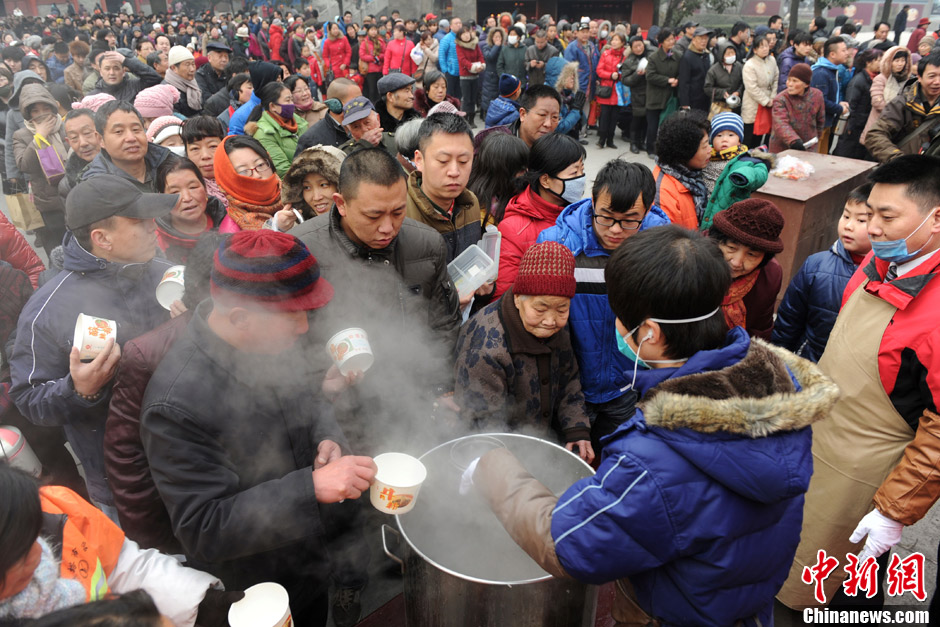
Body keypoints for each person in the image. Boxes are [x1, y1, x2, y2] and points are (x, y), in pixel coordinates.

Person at [466, 224, 837, 627]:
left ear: (650, 334)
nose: (618, 329)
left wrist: (491, 466)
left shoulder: (654, 460)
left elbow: (568, 546)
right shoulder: (773, 385)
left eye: (620, 321)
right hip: (744, 606)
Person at [140, 229, 373, 626]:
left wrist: (327, 434)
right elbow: (203, 528)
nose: (304, 328)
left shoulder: (273, 341)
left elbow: (309, 398)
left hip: (308, 562)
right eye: (293, 315)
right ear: (240, 318)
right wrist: (310, 487)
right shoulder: (175, 403)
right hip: (253, 594)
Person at [776, 155, 940, 615]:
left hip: (866, 478)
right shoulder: (877, 262)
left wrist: (893, 510)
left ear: (935, 217)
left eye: (887, 218)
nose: (874, 228)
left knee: (848, 591)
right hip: (817, 441)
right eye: (869, 214)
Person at [8, 176, 178, 516]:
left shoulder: (171, 275)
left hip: (193, 452)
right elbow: (28, 399)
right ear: (102, 238)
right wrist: (79, 390)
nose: (152, 228)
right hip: (120, 481)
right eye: (139, 222)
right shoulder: (47, 310)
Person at [292, 148, 462, 456]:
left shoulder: (425, 244)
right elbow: (287, 341)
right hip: (336, 413)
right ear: (341, 204)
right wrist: (322, 388)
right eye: (373, 215)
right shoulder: (301, 251)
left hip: (411, 400)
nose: (388, 228)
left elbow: (444, 323)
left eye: (398, 212)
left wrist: (442, 387)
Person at [536, 159, 669, 452]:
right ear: (593, 201)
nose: (615, 230)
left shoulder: (661, 253)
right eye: (606, 217)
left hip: (627, 387)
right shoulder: (559, 246)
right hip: (569, 387)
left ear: (647, 210)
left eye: (630, 220)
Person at [0, 463, 233, 626]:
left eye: (36, 536)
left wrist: (199, 602)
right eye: (18, 552)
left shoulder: (53, 505)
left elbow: (126, 568)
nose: (40, 552)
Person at [454, 241, 593, 462]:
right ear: (518, 298)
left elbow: (569, 379)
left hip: (540, 443)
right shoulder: (485, 348)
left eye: (562, 309)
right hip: (498, 454)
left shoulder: (556, 325)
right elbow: (483, 426)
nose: (550, 320)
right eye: (540, 309)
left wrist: (576, 428)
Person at [771, 184, 871, 361]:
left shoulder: (891, 274)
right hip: (808, 363)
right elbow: (789, 322)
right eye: (846, 215)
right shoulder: (816, 265)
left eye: (861, 220)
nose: (848, 225)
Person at [495, 133, 585, 298]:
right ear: (545, 181)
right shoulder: (514, 229)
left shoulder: (582, 214)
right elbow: (505, 293)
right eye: (574, 173)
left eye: (582, 170)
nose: (581, 179)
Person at [405, 113, 480, 262]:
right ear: (419, 160)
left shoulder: (471, 203)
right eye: (443, 161)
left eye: (463, 161)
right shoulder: (400, 213)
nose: (454, 172)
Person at [708, 199, 784, 340]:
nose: (736, 262)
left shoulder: (770, 276)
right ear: (715, 240)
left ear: (764, 258)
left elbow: (760, 331)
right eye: (731, 248)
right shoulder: (692, 259)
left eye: (751, 255)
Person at [11, 84, 68, 257]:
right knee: (58, 248)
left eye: (45, 108)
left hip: (74, 195)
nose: (42, 114)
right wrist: (40, 137)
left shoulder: (66, 125)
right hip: (49, 202)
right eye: (35, 111)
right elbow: (24, 165)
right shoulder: (21, 135)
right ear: (28, 114)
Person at [80, 100, 173, 192]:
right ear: (100, 139)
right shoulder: (95, 187)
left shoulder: (170, 163)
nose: (131, 138)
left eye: (136, 129)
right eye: (119, 131)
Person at [153, 159, 234, 263]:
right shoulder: (154, 239)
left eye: (193, 187)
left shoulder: (231, 222)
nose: (187, 198)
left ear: (205, 189)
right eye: (174, 192)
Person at [865, 52, 940, 162]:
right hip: (903, 172)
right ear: (919, 77)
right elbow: (875, 134)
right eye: (932, 76)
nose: (937, 82)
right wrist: (897, 159)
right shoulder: (903, 102)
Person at [652, 113, 710, 229]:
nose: (710, 150)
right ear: (685, 151)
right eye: (704, 146)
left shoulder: (691, 175)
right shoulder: (663, 193)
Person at [213, 135, 284, 229]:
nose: (256, 175)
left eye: (260, 164)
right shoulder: (231, 229)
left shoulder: (299, 194)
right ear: (228, 180)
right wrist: (277, 228)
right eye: (243, 171)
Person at [245, 81, 309, 177]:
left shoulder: (299, 122)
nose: (291, 104)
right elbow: (283, 171)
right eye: (287, 100)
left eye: (292, 99)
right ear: (273, 106)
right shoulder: (264, 134)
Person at [467, 132, 529, 226]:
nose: (526, 173)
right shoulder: (480, 217)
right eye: (521, 169)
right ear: (501, 172)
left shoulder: (515, 195)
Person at [475, 84, 562, 149]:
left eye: (554, 117)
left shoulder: (559, 150)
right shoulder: (497, 147)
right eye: (542, 115)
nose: (548, 124)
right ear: (523, 114)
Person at [834, 49, 882, 160]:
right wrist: (849, 126)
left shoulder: (875, 79)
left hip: (864, 124)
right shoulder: (858, 81)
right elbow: (851, 104)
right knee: (847, 155)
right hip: (854, 126)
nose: (881, 63)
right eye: (878, 60)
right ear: (868, 62)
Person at [294, 78, 362, 156]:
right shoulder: (311, 139)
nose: (361, 104)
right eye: (356, 101)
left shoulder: (364, 125)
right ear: (336, 104)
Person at [769, 62, 826, 153]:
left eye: (795, 81)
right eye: (789, 80)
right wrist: (793, 140)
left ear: (806, 84)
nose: (790, 84)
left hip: (808, 146)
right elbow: (781, 124)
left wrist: (816, 138)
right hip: (783, 149)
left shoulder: (817, 95)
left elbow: (820, 120)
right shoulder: (781, 99)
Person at [861, 46, 911, 147]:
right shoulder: (881, 79)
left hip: (898, 127)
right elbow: (877, 102)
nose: (900, 64)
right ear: (889, 61)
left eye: (903, 60)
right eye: (897, 60)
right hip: (879, 123)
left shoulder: (908, 80)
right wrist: (898, 111)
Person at [281, 145, 345, 220]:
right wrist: (278, 228)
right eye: (307, 187)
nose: (316, 197)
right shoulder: (296, 229)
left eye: (323, 185)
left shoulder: (360, 225)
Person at [811, 37, 850, 153]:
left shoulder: (831, 70)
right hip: (819, 125)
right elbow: (821, 101)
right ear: (832, 54)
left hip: (827, 122)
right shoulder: (821, 73)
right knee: (818, 157)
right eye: (843, 50)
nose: (847, 53)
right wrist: (839, 108)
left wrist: (838, 102)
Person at [644, 28, 680, 156]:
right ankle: (650, 148)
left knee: (668, 125)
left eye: (673, 39)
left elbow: (682, 72)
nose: (672, 42)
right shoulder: (654, 57)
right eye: (668, 39)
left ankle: (664, 149)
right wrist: (667, 80)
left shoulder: (677, 55)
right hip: (655, 96)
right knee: (653, 125)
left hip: (670, 97)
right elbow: (650, 76)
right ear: (661, 42)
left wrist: (677, 80)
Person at [181, 115, 229, 209]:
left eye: (212, 146)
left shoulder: (244, 178)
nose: (205, 156)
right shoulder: (185, 194)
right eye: (195, 148)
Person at [741, 34, 779, 147]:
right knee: (750, 137)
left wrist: (772, 97)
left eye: (766, 46)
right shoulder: (749, 65)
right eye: (761, 47)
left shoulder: (772, 60)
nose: (765, 49)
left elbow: (776, 79)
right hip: (753, 104)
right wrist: (766, 101)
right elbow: (751, 87)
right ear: (755, 50)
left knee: (764, 134)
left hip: (770, 102)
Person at [563, 21, 599, 132]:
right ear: (576, 33)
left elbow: (596, 62)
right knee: (576, 107)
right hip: (578, 83)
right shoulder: (572, 47)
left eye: (587, 32)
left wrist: (597, 78)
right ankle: (575, 131)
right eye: (582, 32)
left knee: (586, 106)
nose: (585, 34)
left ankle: (583, 130)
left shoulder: (592, 46)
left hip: (590, 83)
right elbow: (568, 67)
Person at [89, 50, 162, 102]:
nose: (112, 73)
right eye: (107, 69)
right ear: (101, 72)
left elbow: (155, 78)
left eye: (116, 68)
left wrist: (126, 61)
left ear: (123, 71)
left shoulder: (135, 87)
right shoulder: (92, 97)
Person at [595, 32, 627, 149]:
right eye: (613, 40)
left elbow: (627, 72)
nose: (614, 42)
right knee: (604, 116)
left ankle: (610, 140)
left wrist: (619, 76)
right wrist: (610, 75)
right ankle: (601, 139)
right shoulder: (606, 54)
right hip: (606, 89)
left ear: (623, 43)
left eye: (617, 40)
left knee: (614, 117)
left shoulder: (625, 56)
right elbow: (599, 70)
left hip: (618, 91)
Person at [620, 36, 650, 153]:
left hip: (650, 93)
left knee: (646, 120)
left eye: (640, 45)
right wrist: (637, 75)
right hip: (637, 94)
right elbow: (625, 80)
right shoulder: (629, 61)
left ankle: (642, 142)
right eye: (635, 46)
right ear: (631, 48)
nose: (639, 48)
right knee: (636, 119)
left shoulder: (650, 56)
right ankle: (633, 143)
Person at [678, 26, 712, 115]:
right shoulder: (687, 57)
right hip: (693, 100)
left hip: (706, 98)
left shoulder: (707, 55)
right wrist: (685, 103)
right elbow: (684, 82)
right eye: (701, 38)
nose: (704, 41)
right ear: (693, 40)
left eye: (706, 38)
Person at [455, 26, 484, 127]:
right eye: (463, 34)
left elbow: (480, 56)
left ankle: (472, 120)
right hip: (465, 76)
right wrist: (472, 67)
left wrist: (482, 65)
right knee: (466, 99)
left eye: (467, 33)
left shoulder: (475, 44)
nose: (466, 35)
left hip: (475, 76)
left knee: (473, 98)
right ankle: (465, 120)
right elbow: (462, 60)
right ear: (459, 36)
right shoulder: (459, 46)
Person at [704, 40, 743, 117]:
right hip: (721, 106)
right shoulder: (713, 70)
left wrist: (738, 92)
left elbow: (743, 82)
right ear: (722, 55)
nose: (731, 55)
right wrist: (722, 93)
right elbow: (707, 88)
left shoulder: (738, 66)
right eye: (728, 53)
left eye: (733, 53)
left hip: (737, 105)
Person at [163, 46, 203, 117]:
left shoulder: (194, 82)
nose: (192, 69)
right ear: (174, 68)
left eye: (193, 64)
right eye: (187, 65)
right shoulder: (167, 90)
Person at [481, 27, 505, 115]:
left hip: (500, 74)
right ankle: (486, 113)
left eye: (499, 37)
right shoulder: (486, 47)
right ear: (491, 37)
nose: (498, 39)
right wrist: (496, 46)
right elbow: (489, 57)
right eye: (495, 37)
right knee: (488, 95)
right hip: (490, 75)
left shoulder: (504, 48)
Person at [359, 24, 385, 102]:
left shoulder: (380, 41)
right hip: (370, 70)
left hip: (380, 69)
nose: (373, 32)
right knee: (372, 90)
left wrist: (379, 57)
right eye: (371, 30)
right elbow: (362, 55)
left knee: (379, 90)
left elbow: (385, 53)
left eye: (375, 30)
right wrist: (372, 58)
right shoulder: (365, 42)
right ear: (368, 31)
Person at [438, 17, 463, 99]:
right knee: (450, 95)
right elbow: (441, 55)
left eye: (460, 23)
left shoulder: (464, 37)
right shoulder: (446, 39)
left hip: (462, 71)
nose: (459, 25)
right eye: (456, 23)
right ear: (450, 26)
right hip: (450, 71)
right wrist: (445, 70)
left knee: (459, 95)